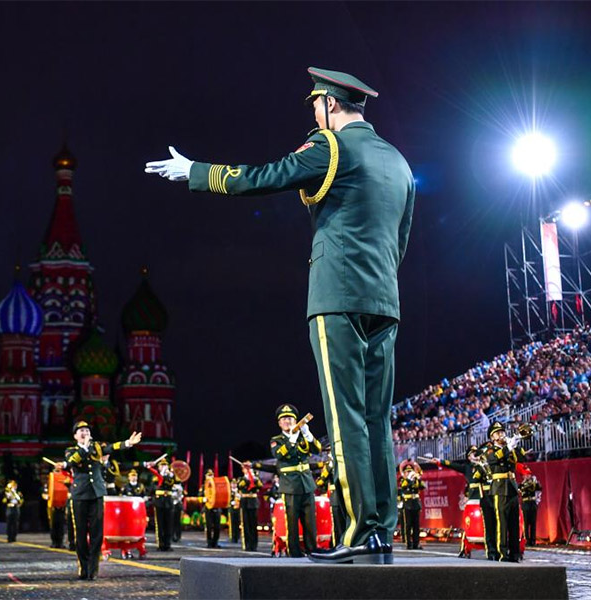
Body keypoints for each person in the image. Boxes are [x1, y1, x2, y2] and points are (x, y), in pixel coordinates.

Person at [145, 66, 414, 565]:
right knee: (378, 420)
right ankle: (381, 533)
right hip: (385, 300)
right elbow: (400, 240)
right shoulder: (398, 162)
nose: (313, 112)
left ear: (331, 104)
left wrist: (195, 172)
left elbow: (263, 178)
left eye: (315, 104)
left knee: (345, 418)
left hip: (337, 297)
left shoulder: (330, 147)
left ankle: (358, 531)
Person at [63, 420, 142, 580]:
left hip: (97, 494)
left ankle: (93, 569)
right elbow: (71, 462)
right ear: (75, 436)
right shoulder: (70, 450)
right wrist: (85, 447)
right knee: (80, 533)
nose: (84, 432)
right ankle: (83, 567)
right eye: (81, 431)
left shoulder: (98, 447)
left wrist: (128, 443)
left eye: (86, 430)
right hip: (79, 494)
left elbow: (112, 447)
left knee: (97, 533)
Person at [270, 404, 320, 557]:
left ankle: (312, 550)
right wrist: (291, 439)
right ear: (279, 423)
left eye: (290, 418)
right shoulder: (276, 440)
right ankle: (294, 552)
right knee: (291, 522)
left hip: (306, 483)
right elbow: (279, 455)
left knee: (310, 521)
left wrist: (308, 434)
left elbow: (317, 449)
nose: (287, 421)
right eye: (284, 419)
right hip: (290, 486)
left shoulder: (302, 437)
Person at [431, 444, 491, 558]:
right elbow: (453, 465)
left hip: (486, 497)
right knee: (468, 523)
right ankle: (464, 548)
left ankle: (491, 547)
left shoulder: (485, 465)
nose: (476, 455)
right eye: (473, 453)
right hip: (473, 498)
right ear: (469, 457)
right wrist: (440, 461)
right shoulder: (467, 467)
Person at [484, 422, 527, 562]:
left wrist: (516, 443)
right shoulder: (490, 450)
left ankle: (515, 553)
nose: (501, 434)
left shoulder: (509, 449)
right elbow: (493, 459)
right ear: (492, 437)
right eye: (497, 433)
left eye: (502, 432)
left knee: (514, 523)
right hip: (500, 488)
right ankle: (502, 553)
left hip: (512, 487)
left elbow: (522, 458)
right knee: (501, 523)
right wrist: (508, 447)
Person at [146, 457, 177, 551]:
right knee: (159, 523)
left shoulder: (171, 476)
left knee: (169, 523)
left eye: (165, 465)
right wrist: (161, 476)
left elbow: (171, 484)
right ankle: (160, 544)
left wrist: (167, 475)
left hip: (168, 500)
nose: (164, 467)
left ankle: (168, 544)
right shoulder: (155, 476)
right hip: (159, 501)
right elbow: (153, 488)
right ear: (158, 467)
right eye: (162, 465)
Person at [398, 463, 425, 550]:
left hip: (415, 504)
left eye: (411, 471)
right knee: (408, 525)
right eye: (407, 472)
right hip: (407, 504)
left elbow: (422, 486)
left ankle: (416, 543)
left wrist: (418, 478)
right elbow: (404, 486)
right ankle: (408, 543)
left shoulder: (415, 480)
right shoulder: (403, 480)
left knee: (416, 525)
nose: (409, 473)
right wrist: (409, 479)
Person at [237, 461, 263, 551]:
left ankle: (254, 544)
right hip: (245, 501)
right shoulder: (242, 479)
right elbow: (239, 486)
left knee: (253, 524)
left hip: (253, 502)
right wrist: (247, 478)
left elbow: (260, 486)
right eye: (246, 468)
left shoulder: (255, 478)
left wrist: (253, 477)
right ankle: (247, 545)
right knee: (246, 524)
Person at [199, 469, 222, 548]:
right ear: (205, 476)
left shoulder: (217, 485)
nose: (210, 477)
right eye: (208, 475)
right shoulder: (203, 486)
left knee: (217, 527)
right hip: (208, 508)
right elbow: (200, 497)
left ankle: (215, 542)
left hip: (217, 507)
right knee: (208, 526)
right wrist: (203, 499)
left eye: (211, 475)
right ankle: (209, 542)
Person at [519, 472, 542, 547]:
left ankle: (533, 540)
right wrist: (524, 483)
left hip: (532, 503)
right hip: (525, 503)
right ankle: (526, 540)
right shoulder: (521, 484)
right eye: (526, 475)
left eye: (529, 475)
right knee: (525, 523)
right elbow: (519, 490)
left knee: (533, 524)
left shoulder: (534, 483)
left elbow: (539, 488)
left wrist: (535, 482)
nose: (527, 476)